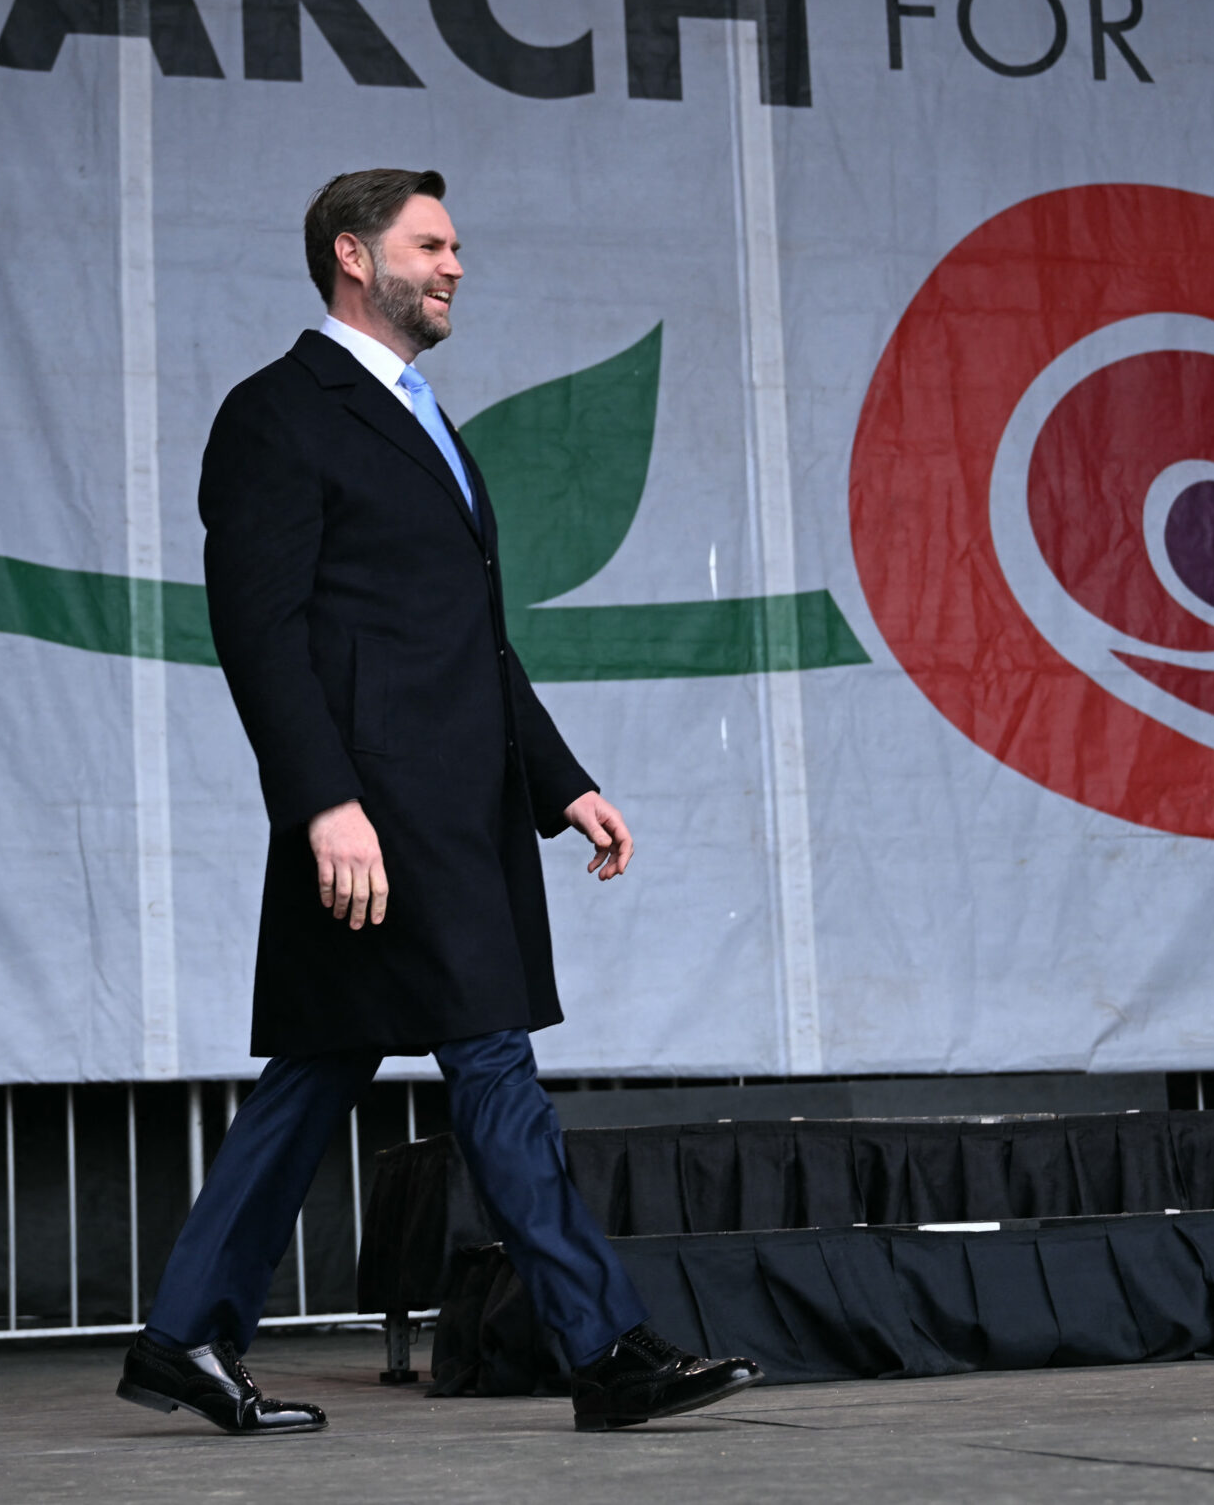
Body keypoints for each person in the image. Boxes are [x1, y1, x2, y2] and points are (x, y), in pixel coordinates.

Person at [115, 168, 761, 1434]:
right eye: (432, 244)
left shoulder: (423, 418)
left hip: (455, 808)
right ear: (355, 258)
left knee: (316, 1071)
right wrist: (324, 806)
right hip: (378, 816)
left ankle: (184, 1336)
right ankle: (606, 1348)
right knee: (492, 1061)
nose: (456, 264)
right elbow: (259, 630)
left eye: (457, 244)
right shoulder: (277, 413)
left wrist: (562, 781)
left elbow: (469, 638)